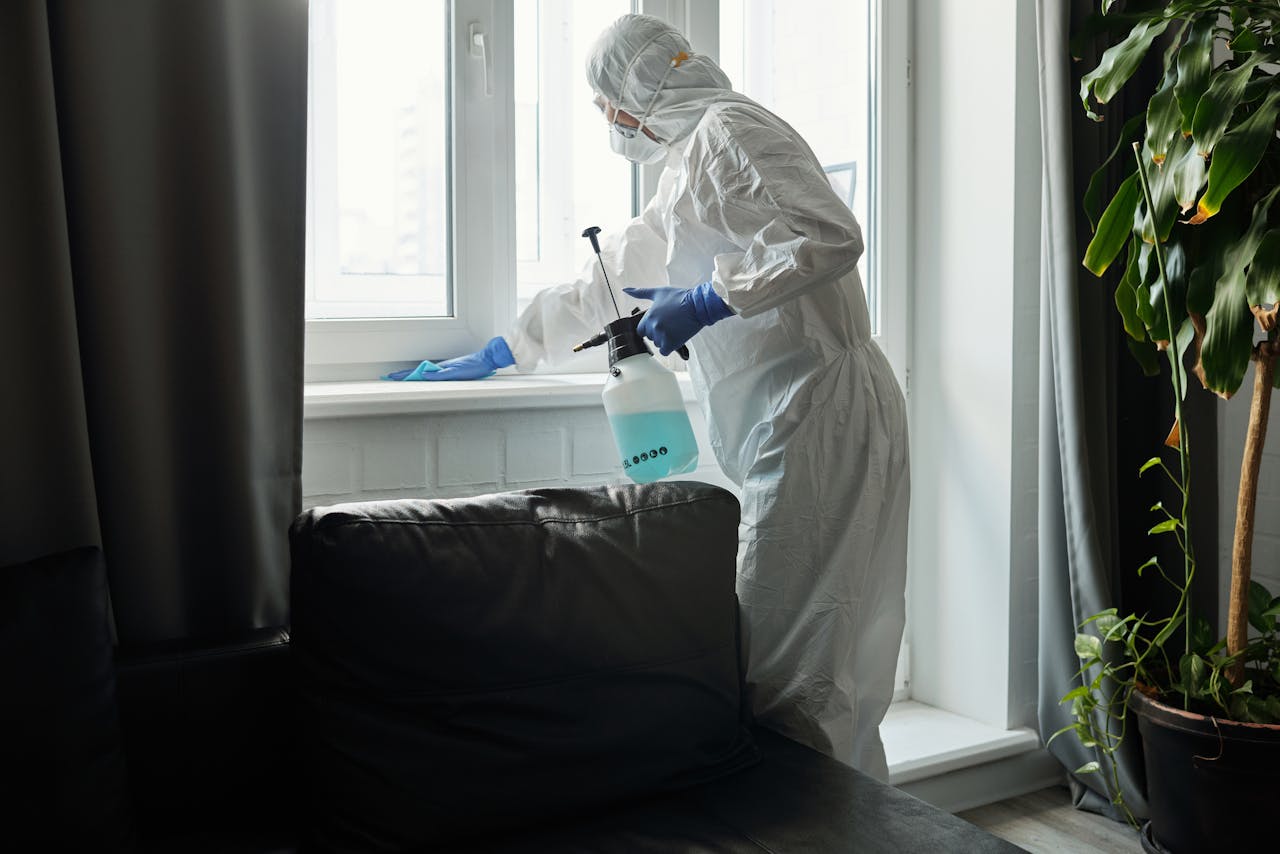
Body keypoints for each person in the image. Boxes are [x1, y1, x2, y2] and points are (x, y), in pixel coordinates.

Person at [387, 13, 909, 781]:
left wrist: (709, 299)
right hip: (803, 414)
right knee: (827, 657)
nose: (607, 121)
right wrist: (507, 348)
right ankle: (857, 823)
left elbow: (830, 234)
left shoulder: (731, 131)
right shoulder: (692, 164)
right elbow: (616, 274)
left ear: (636, 90)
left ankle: (815, 828)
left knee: (794, 668)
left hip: (820, 411)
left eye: (605, 104)